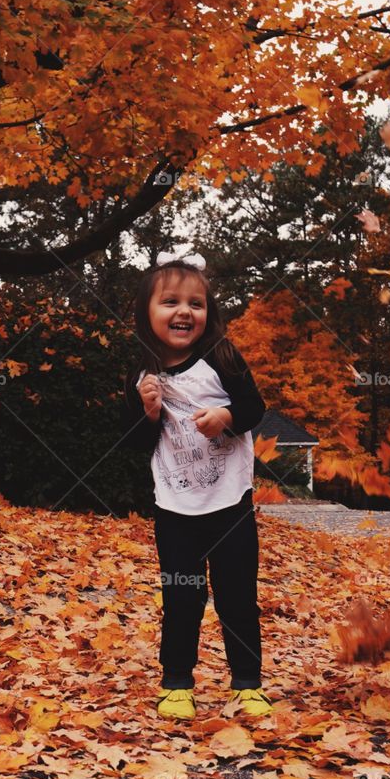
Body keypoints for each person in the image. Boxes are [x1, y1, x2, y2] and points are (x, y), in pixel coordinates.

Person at [120, 246, 274, 722]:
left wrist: (227, 416)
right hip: (175, 507)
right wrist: (145, 413)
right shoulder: (143, 374)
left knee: (237, 596)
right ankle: (176, 682)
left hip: (229, 502)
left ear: (209, 314)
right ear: (147, 314)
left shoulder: (222, 359)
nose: (184, 311)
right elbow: (132, 443)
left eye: (196, 303)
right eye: (170, 302)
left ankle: (247, 683)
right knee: (181, 595)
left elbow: (255, 408)